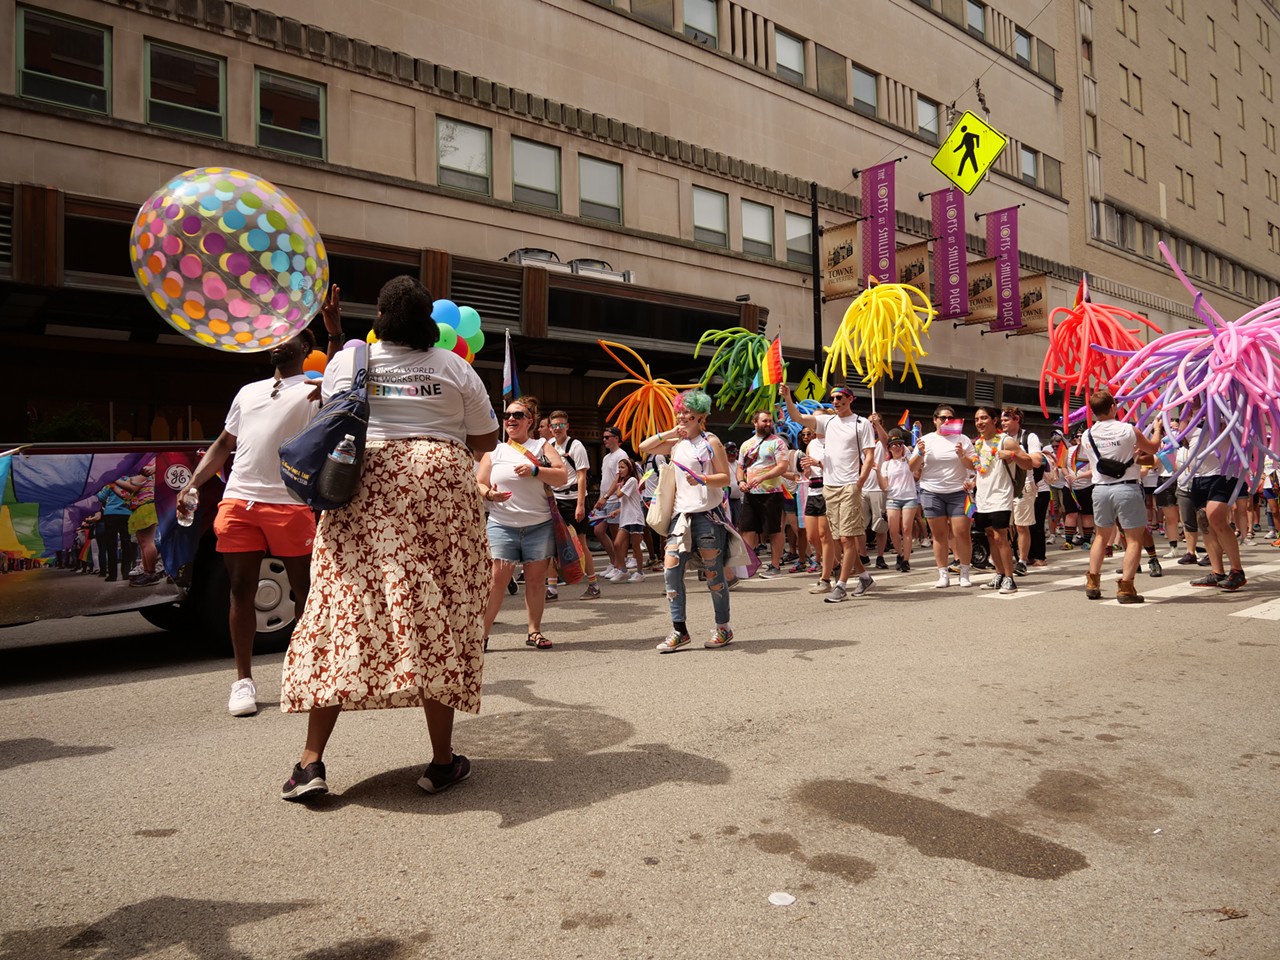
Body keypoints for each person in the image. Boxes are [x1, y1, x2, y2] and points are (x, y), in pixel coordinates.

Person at [278, 275, 499, 800]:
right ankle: (441, 762)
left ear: (379, 318)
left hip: (361, 479)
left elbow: (334, 413)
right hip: (439, 479)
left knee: (342, 606)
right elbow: (487, 438)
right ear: (428, 320)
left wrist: (336, 336)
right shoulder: (454, 366)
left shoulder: (350, 361)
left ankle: (311, 763)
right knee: (438, 607)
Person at [178, 327, 321, 717]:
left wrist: (338, 333)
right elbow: (225, 443)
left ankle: (305, 673)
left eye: (289, 336)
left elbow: (343, 386)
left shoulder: (315, 388)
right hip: (239, 499)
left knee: (303, 591)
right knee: (241, 587)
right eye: (275, 336)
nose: (279, 341)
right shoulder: (248, 391)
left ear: (305, 348)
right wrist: (193, 482)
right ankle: (243, 681)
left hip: (289, 503)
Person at [638, 389, 735, 652]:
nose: (682, 415)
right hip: (680, 517)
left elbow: (726, 478)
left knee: (713, 574)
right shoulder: (677, 443)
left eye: (687, 412)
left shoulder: (711, 441)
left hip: (707, 516)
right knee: (671, 571)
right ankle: (679, 630)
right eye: (680, 410)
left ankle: (723, 627)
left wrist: (702, 478)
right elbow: (643, 448)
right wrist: (671, 432)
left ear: (701, 415)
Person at [478, 394, 570, 649]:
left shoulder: (542, 446)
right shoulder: (495, 449)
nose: (510, 419)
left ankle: (534, 632)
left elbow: (562, 476)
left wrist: (536, 471)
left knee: (535, 581)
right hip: (501, 524)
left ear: (530, 421)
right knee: (497, 580)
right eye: (507, 415)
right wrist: (489, 494)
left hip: (538, 526)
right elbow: (479, 482)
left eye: (517, 415)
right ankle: (482, 636)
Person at [779, 384, 876, 601]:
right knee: (838, 539)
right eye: (833, 398)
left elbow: (869, 456)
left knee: (847, 539)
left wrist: (860, 481)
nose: (836, 401)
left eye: (840, 397)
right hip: (829, 488)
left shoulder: (862, 423)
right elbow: (796, 416)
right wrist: (787, 397)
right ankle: (865, 576)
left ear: (850, 399)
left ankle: (840, 586)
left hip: (850, 486)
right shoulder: (827, 421)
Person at [1079, 389, 1162, 602]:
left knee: (1101, 536)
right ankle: (1126, 587)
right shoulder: (1127, 430)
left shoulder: (1087, 435)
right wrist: (1158, 430)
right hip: (1126, 488)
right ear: (1113, 407)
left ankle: (1093, 581)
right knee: (1134, 539)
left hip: (1100, 489)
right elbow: (1152, 448)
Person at [910, 404, 977, 588]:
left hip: (958, 492)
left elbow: (975, 465)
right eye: (942, 418)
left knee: (961, 533)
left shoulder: (962, 439)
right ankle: (943, 574)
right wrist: (920, 453)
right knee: (939, 535)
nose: (946, 421)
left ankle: (964, 572)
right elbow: (911, 467)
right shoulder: (925, 440)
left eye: (950, 418)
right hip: (932, 492)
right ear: (935, 420)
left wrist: (963, 456)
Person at [1184, 403, 1248, 591]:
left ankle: (1237, 570)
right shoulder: (1188, 418)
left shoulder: (1224, 408)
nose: (1193, 396)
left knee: (1216, 517)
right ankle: (1217, 572)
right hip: (1199, 476)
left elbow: (1241, 425)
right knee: (1204, 522)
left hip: (1223, 473)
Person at [546, 411, 601, 600]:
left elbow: (582, 475)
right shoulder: (549, 446)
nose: (557, 429)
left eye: (561, 425)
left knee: (581, 542)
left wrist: (580, 505)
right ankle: (552, 588)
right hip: (556, 499)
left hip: (573, 498)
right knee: (553, 544)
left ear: (567, 426)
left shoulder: (575, 446)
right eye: (554, 425)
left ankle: (593, 584)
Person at [969, 405, 1021, 594]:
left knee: (1001, 536)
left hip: (1001, 495)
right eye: (976, 419)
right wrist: (972, 482)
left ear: (994, 420)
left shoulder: (1006, 441)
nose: (979, 422)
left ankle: (1010, 578)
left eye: (983, 418)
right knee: (990, 536)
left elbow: (1030, 463)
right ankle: (999, 574)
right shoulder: (978, 444)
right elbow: (980, 469)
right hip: (983, 497)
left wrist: (1013, 455)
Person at [737, 410, 789, 578]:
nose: (768, 424)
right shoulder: (745, 444)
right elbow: (740, 467)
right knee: (747, 530)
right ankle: (746, 566)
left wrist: (763, 477)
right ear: (755, 422)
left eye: (770, 421)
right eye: (764, 421)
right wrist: (741, 482)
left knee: (774, 530)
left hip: (771, 492)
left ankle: (775, 566)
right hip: (751, 493)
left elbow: (782, 467)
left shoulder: (778, 443)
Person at [1000, 407, 1047, 573]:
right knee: (1003, 525)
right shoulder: (999, 438)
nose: (1003, 422)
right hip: (1002, 486)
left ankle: (1022, 560)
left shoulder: (1029, 437)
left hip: (1024, 485)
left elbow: (1036, 461)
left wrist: (1014, 454)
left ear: (1017, 419)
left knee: (1021, 525)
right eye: (1002, 419)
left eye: (1006, 419)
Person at [878, 431, 920, 572]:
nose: (897, 447)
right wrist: (877, 472)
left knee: (906, 528)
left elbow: (917, 476)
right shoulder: (886, 465)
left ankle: (906, 560)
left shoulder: (908, 460)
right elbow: (884, 487)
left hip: (909, 497)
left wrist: (918, 464)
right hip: (893, 498)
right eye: (893, 445)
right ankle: (900, 554)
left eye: (900, 444)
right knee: (894, 531)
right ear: (889, 448)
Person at [593, 426, 631, 580]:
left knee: (617, 537)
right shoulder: (606, 457)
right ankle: (614, 562)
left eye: (607, 437)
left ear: (616, 438)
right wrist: (601, 497)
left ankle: (620, 566)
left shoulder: (622, 455)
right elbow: (606, 479)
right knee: (598, 531)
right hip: (605, 498)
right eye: (603, 437)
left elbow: (618, 479)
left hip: (615, 499)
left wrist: (607, 496)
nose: (604, 440)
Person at [603, 457, 646, 581]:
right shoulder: (626, 482)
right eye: (619, 468)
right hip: (625, 518)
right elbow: (627, 502)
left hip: (635, 518)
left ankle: (640, 572)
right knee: (617, 544)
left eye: (622, 467)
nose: (620, 470)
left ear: (630, 469)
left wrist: (618, 485)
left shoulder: (632, 480)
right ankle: (623, 570)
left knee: (636, 546)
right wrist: (617, 511)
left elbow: (619, 494)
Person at [799, 426, 833, 578]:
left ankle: (828, 569)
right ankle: (834, 563)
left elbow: (836, 469)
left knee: (824, 535)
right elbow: (807, 472)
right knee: (811, 536)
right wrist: (805, 469)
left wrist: (818, 463)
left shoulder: (833, 442)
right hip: (813, 491)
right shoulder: (811, 445)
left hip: (827, 490)